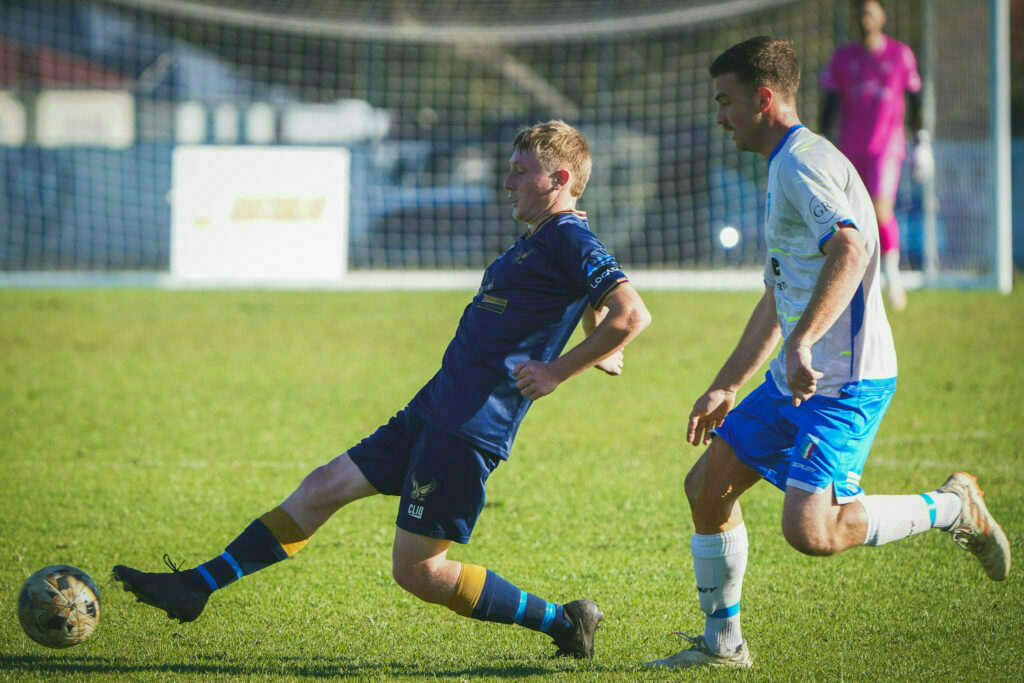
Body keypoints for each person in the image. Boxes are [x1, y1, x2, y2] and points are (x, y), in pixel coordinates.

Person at [113, 120, 652, 660]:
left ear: (558, 178)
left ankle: (564, 622)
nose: (506, 182)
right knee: (323, 485)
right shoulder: (542, 238)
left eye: (519, 172)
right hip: (434, 406)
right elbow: (587, 295)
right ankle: (195, 587)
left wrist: (560, 370)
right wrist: (595, 338)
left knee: (418, 572)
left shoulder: (568, 235)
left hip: (469, 426)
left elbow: (632, 314)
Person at [644, 37, 1009, 671]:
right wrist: (728, 382)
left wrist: (804, 342)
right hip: (801, 376)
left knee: (812, 532)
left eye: (726, 102)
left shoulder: (800, 163)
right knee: (707, 488)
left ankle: (955, 507)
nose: (720, 116)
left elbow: (849, 249)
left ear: (763, 99)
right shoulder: (787, 162)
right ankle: (723, 646)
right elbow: (780, 294)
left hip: (845, 381)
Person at [819, 0, 932, 311]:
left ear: (882, 15)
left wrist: (921, 140)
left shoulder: (900, 54)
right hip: (848, 149)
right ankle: (854, 280)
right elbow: (828, 104)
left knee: (881, 212)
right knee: (848, 219)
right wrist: (823, 143)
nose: (865, 17)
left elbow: (916, 99)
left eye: (871, 10)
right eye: (861, 11)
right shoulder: (842, 58)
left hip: (886, 147)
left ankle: (892, 277)